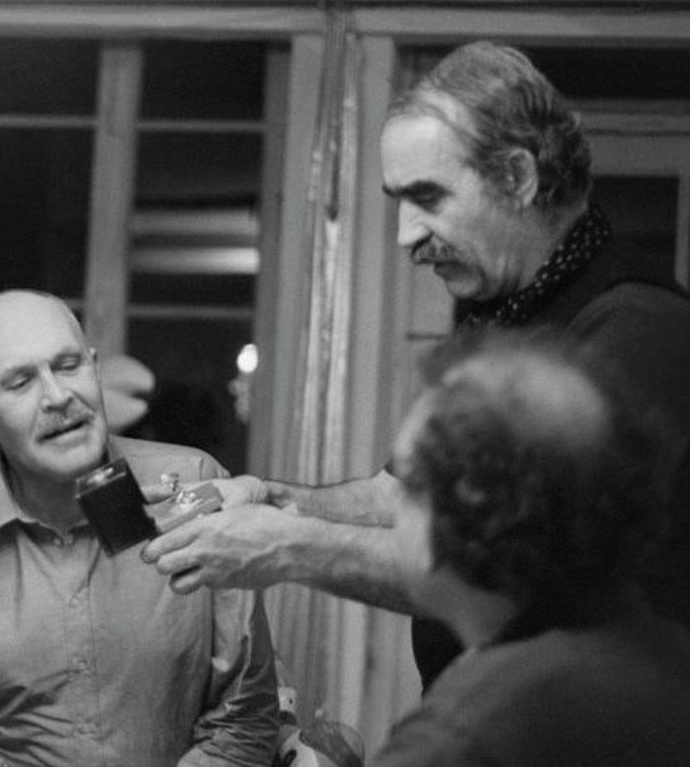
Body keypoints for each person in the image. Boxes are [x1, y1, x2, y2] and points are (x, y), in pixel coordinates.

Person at [141, 40, 690, 688]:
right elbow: (398, 495)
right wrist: (271, 499)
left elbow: (518, 571)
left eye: (428, 197)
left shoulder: (640, 327)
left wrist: (281, 545)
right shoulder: (501, 312)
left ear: (517, 178)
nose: (406, 234)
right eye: (399, 200)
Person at [0, 290, 280, 767]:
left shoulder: (197, 484)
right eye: (20, 382)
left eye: (68, 365)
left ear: (94, 368)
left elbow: (244, 722)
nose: (58, 397)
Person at [371, 332, 690, 766]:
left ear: (467, 507)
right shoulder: (672, 659)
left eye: (408, 484)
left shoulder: (459, 738)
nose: (394, 508)